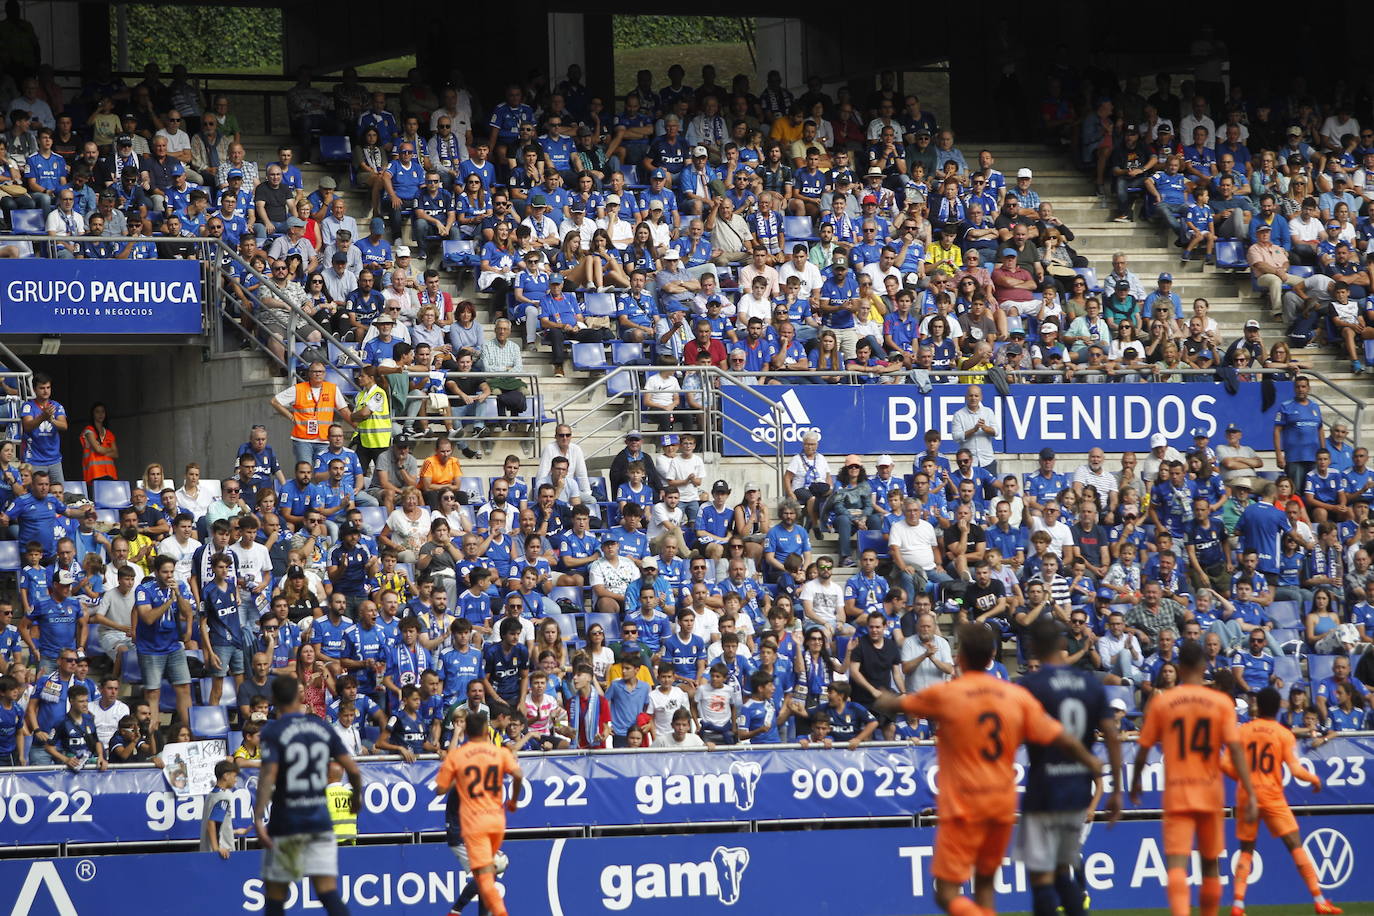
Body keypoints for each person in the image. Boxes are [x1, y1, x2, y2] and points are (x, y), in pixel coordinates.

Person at [874, 623, 1099, 916]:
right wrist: (1091, 761)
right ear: (993, 654)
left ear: (961, 657)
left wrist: (882, 696)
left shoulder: (948, 693)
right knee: (984, 887)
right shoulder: (1015, 696)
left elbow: (900, 703)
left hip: (963, 804)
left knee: (946, 893)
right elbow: (1059, 736)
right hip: (1001, 804)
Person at [1129, 640, 1258, 916]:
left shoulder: (1165, 702)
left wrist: (1136, 780)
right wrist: (1249, 790)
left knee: (1177, 864)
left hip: (1177, 791)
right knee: (1210, 864)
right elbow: (1235, 751)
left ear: (1179, 667)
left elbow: (1143, 748)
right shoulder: (1221, 702)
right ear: (1203, 666)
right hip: (1210, 791)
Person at [1016, 617, 1123, 916]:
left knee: (1042, 876)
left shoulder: (1031, 685)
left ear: (1034, 647)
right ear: (1063, 645)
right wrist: (1115, 789)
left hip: (1044, 789)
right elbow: (1111, 736)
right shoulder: (1089, 683)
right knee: (1064, 870)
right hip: (1077, 791)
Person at [1222, 687, 1341, 916]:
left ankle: (1237, 905)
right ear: (1278, 708)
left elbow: (1226, 764)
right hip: (1272, 796)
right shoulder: (1284, 734)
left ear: (1258, 706)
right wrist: (1315, 779)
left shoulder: (1242, 731)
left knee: (1246, 850)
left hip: (1248, 796)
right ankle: (1319, 900)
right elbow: (1296, 770)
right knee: (1295, 845)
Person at [253, 676, 363, 916]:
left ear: (274, 700)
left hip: (286, 823)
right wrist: (356, 799)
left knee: (276, 895)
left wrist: (259, 817)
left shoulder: (274, 730)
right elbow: (353, 769)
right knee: (327, 892)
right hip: (319, 822)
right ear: (299, 697)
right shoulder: (321, 726)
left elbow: (269, 774)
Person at [435, 711, 523, 916]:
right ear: (486, 730)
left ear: (467, 730)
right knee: (488, 874)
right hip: (497, 822)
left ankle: (459, 911)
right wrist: (513, 801)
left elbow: (440, 789)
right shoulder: (498, 753)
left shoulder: (458, 756)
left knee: (485, 875)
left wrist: (457, 778)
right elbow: (518, 774)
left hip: (474, 825)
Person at [201, 759, 243, 859]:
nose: (236, 780)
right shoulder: (223, 797)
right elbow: (212, 823)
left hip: (206, 851)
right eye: (234, 776)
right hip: (222, 854)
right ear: (226, 776)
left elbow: (217, 826)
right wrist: (217, 848)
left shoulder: (211, 795)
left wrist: (235, 832)